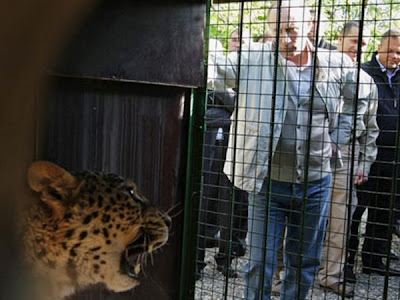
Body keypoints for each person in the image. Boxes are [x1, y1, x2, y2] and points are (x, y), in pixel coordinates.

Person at [211, 1, 374, 299]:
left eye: (290, 29)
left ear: (310, 26)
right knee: (260, 263)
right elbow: (213, 71)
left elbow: (362, 93)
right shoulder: (252, 58)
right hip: (267, 185)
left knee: (304, 264)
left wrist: (341, 134)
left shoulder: (336, 63)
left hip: (316, 183)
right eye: (275, 31)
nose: (283, 39)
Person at [317, 21, 378, 297]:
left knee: (340, 218)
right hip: (312, 149)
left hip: (347, 153)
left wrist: (364, 162)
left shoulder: (367, 80)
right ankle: (284, 276)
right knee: (300, 213)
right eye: (354, 40)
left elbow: (371, 127)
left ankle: (330, 275)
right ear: (339, 39)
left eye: (363, 43)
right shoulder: (318, 69)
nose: (358, 47)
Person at [347, 29, 400, 277]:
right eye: (391, 51)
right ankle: (345, 262)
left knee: (384, 212)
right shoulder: (365, 73)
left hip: (394, 159)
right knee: (355, 211)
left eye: (399, 52)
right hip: (366, 156)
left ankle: (373, 260)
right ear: (379, 47)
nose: (395, 56)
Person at [196, 38, 248, 280]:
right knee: (202, 204)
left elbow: (241, 105)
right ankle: (195, 263)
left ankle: (225, 260)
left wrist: (222, 102)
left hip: (232, 150)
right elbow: (205, 109)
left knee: (230, 206)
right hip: (206, 151)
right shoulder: (197, 78)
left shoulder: (237, 76)